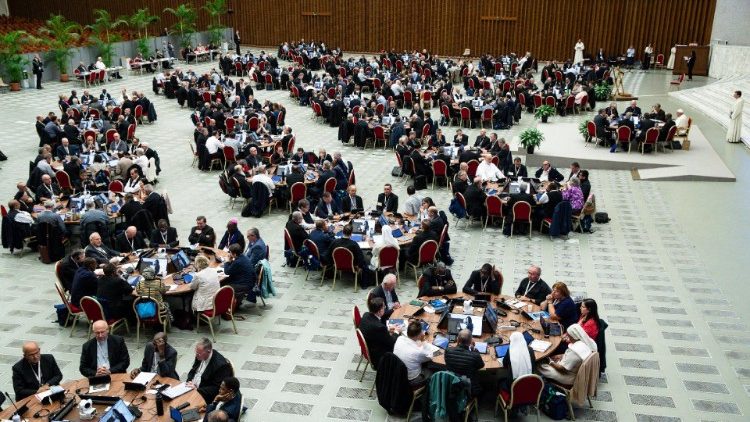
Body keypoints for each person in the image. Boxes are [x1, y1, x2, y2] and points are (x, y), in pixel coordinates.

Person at [186, 338, 234, 404]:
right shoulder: (200, 355)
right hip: (192, 387)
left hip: (204, 394)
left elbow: (216, 388)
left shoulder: (221, 365)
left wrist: (197, 390)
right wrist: (189, 381)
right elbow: (193, 370)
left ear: (208, 351)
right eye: (196, 352)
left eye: (199, 353)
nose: (197, 355)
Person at [358, 297, 398, 369]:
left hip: (371, 346)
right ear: (380, 311)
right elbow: (392, 342)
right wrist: (397, 331)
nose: (385, 308)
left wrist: (387, 330)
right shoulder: (379, 327)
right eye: (384, 307)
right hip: (379, 356)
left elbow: (375, 332)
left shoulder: (366, 315)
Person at [393, 320, 435, 387]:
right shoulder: (418, 351)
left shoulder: (400, 338)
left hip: (397, 374)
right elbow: (431, 356)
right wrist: (423, 340)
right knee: (433, 372)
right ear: (419, 335)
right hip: (411, 379)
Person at [444, 329, 484, 396]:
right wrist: (474, 349)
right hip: (467, 388)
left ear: (458, 339)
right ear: (471, 341)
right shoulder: (474, 355)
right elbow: (481, 365)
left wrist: (457, 344)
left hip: (451, 385)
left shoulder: (448, 351)